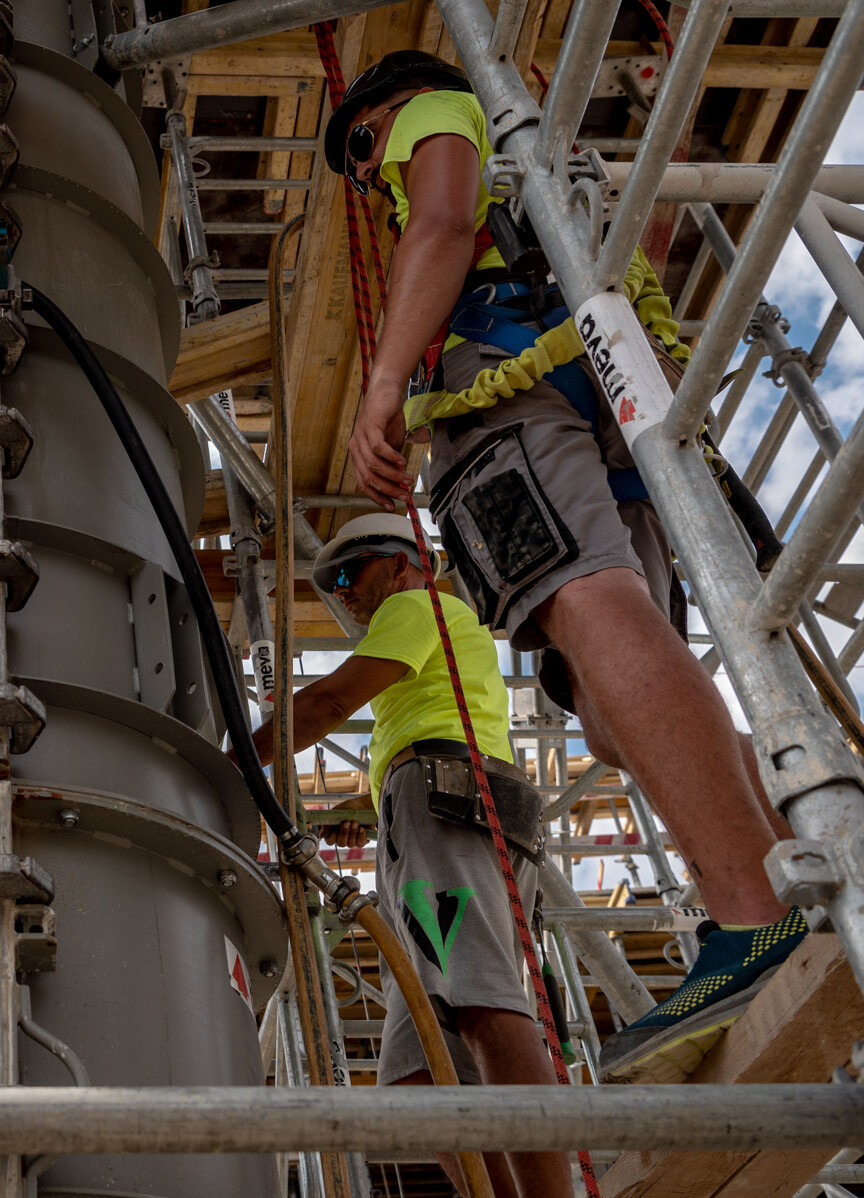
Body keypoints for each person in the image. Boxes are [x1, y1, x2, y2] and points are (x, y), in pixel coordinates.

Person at [322, 50, 805, 1083]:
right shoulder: (544, 173)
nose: (367, 177)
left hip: (507, 373)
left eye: (361, 147)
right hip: (605, 380)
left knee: (581, 602)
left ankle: (753, 913)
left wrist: (384, 386)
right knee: (607, 698)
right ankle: (797, 873)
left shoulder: (437, 112)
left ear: (393, 106)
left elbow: (440, 222)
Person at [241, 514, 568, 1198]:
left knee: (480, 995)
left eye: (349, 572)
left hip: (447, 796)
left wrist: (230, 763)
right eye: (331, 582)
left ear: (402, 564)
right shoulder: (429, 646)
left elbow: (330, 701)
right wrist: (370, 811)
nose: (341, 591)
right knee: (417, 1072)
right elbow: (427, 729)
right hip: (436, 801)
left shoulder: (418, 606)